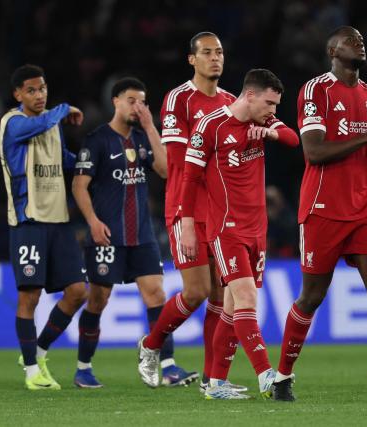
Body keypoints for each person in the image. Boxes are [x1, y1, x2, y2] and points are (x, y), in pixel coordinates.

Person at [273, 26, 367, 402]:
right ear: (332, 50)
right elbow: (315, 152)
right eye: (351, 40)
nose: (360, 43)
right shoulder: (315, 90)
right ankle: (282, 377)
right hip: (324, 206)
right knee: (312, 295)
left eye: (362, 39)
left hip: (366, 204)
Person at [139, 69, 299, 399]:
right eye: (269, 103)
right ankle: (267, 376)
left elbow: (294, 139)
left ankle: (215, 383)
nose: (273, 111)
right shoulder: (209, 126)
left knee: (227, 306)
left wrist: (268, 132)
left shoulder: (265, 121)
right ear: (250, 96)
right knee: (242, 298)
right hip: (226, 229)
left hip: (258, 230)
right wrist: (185, 223)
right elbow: (189, 178)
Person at [136, 32, 245, 392]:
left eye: (220, 52)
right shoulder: (179, 100)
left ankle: (214, 379)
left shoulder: (231, 102)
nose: (216, 58)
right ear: (192, 60)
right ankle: (151, 345)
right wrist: (183, 217)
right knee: (196, 291)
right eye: (207, 53)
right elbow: (176, 165)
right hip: (187, 209)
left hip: (221, 210)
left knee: (220, 294)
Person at [71, 77, 194, 387]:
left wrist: (152, 127)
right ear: (115, 101)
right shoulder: (97, 140)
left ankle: (167, 366)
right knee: (98, 299)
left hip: (142, 235)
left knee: (156, 294)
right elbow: (79, 185)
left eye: (141, 101)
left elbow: (167, 171)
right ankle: (83, 367)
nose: (136, 106)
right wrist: (93, 222)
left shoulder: (142, 139)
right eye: (130, 100)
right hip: (107, 236)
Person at [0, 64, 88, 390]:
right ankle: (31, 373)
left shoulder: (51, 123)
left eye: (43, 88)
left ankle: (35, 352)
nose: (39, 95)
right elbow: (42, 122)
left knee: (78, 291)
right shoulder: (13, 123)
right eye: (32, 90)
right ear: (18, 94)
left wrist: (89, 161)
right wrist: (65, 108)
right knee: (30, 296)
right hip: (29, 221)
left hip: (59, 221)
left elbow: (60, 157)